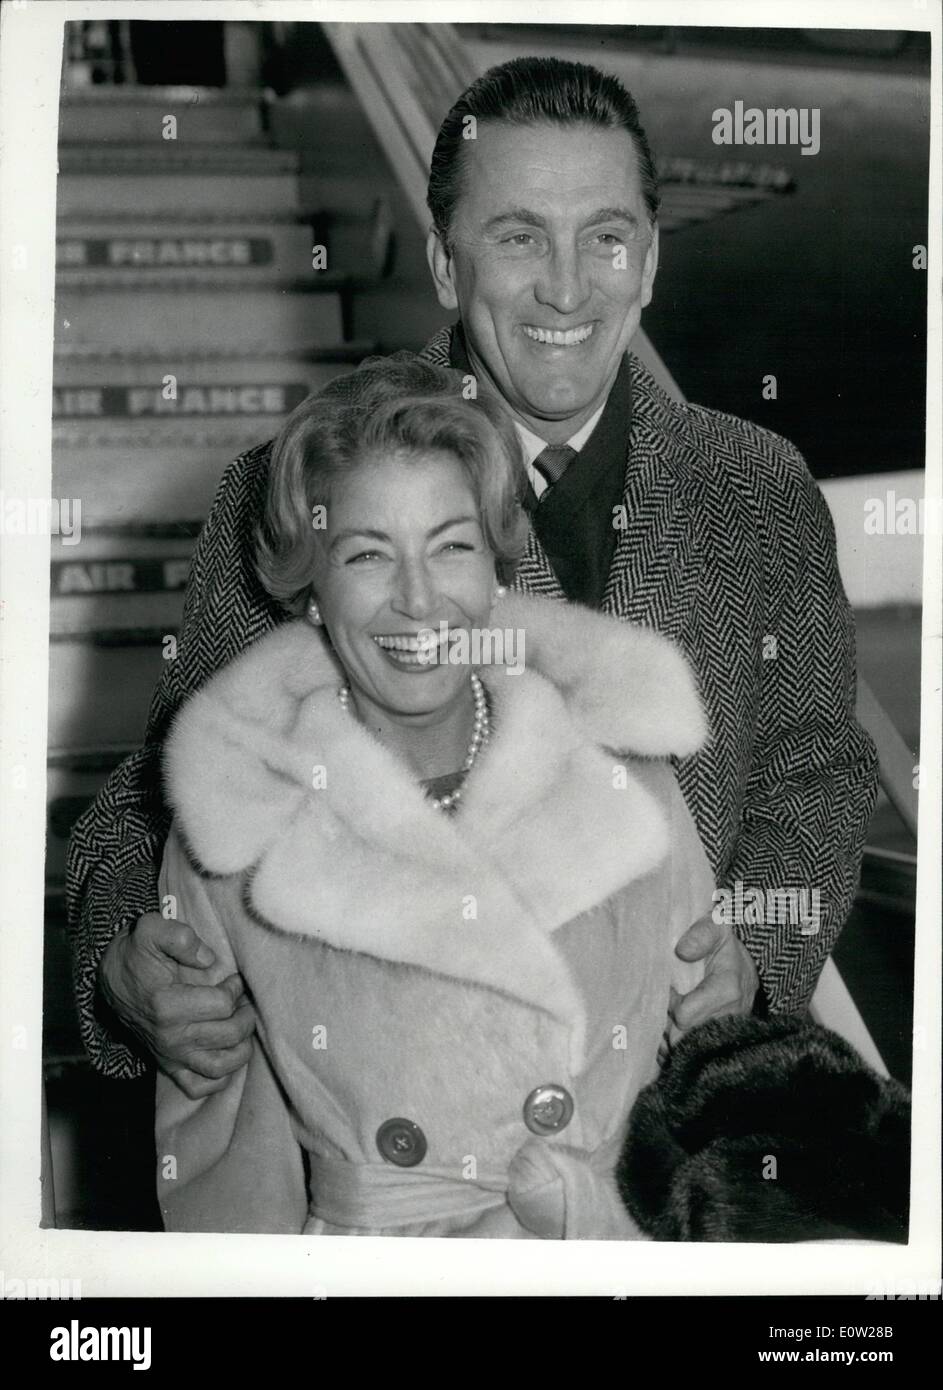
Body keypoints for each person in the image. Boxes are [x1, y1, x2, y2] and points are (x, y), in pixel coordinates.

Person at [67, 55, 878, 1100]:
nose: (566, 286)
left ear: (650, 261)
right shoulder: (290, 487)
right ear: (447, 268)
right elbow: (149, 802)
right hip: (396, 1150)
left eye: (606, 236)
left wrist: (753, 945)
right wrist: (126, 954)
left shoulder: (759, 489)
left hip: (676, 1125)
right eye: (518, 235)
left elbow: (815, 779)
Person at [155, 356, 715, 1237]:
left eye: (451, 545)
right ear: (310, 586)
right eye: (368, 554)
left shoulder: (625, 770)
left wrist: (731, 988)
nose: (419, 602)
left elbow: (708, 1047)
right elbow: (217, 1155)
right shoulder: (236, 822)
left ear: (496, 562)